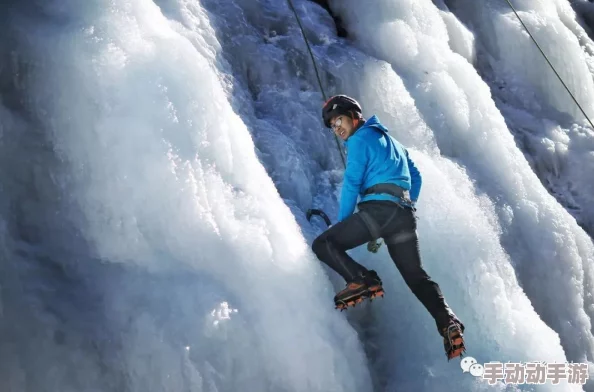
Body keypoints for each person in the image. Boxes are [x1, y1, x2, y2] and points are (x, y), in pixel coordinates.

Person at [311, 94, 466, 360]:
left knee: (324, 244)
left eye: (338, 120)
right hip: (403, 216)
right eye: (333, 126)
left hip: (378, 212)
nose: (337, 128)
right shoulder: (394, 142)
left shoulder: (359, 140)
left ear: (353, 116)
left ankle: (361, 280)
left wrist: (344, 222)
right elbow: (415, 177)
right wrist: (403, 205)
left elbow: (351, 182)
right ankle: (448, 321)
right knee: (417, 277)